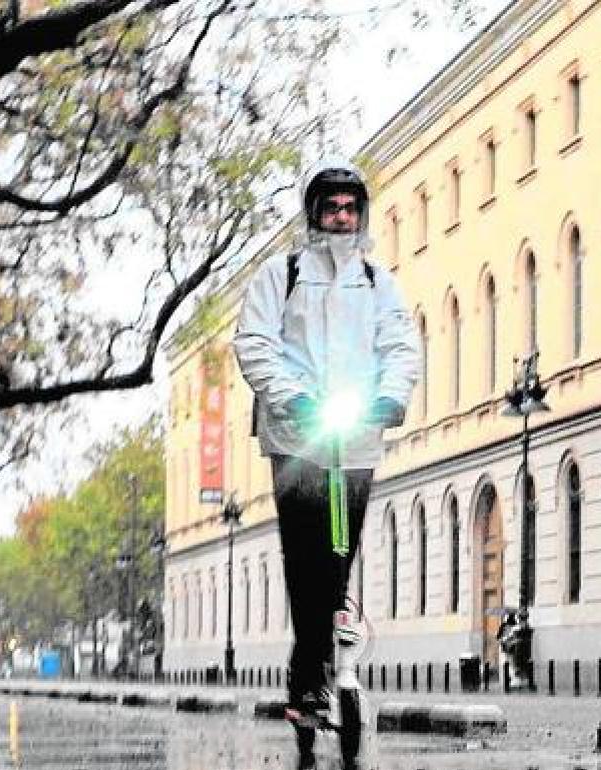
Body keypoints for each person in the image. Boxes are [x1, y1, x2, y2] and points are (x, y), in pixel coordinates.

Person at [233, 155, 420, 768]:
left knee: (340, 557)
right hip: (297, 440)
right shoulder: (281, 273)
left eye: (349, 208)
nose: (340, 218)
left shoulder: (376, 280)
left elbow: (399, 343)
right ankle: (307, 675)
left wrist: (393, 395)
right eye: (330, 207)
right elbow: (254, 342)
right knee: (306, 562)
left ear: (360, 215)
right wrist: (293, 396)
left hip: (357, 441)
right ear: (313, 213)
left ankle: (326, 658)